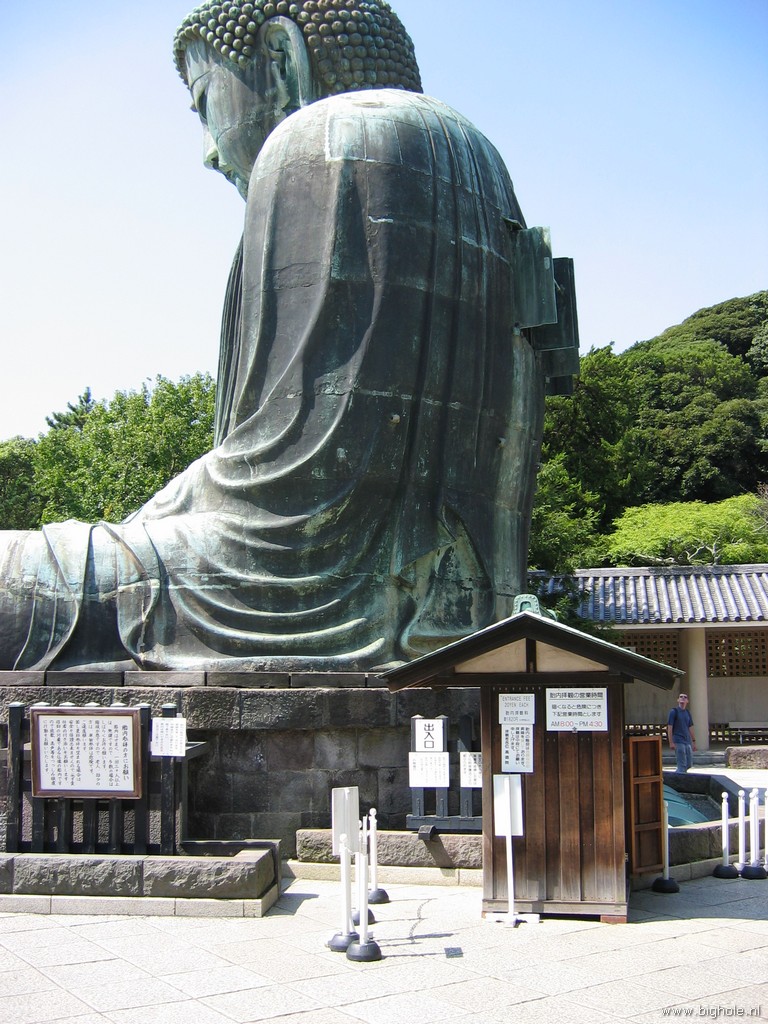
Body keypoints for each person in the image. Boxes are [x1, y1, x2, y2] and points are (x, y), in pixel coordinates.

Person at [0, 1, 578, 673]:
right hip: (460, 603)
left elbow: (271, 495)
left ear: (280, 61)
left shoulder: (317, 142)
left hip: (294, 592)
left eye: (204, 102)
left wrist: (137, 531)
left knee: (15, 575)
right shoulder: (484, 167)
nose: (209, 150)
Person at [667, 693, 696, 773]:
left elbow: (690, 727)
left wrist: (694, 741)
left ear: (687, 701)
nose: (683, 698)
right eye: (681, 697)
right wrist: (671, 742)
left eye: (685, 697)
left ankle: (678, 775)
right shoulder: (674, 712)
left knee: (689, 764)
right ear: (678, 700)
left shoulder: (687, 713)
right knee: (682, 765)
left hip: (687, 741)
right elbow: (670, 727)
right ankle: (680, 777)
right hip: (678, 740)